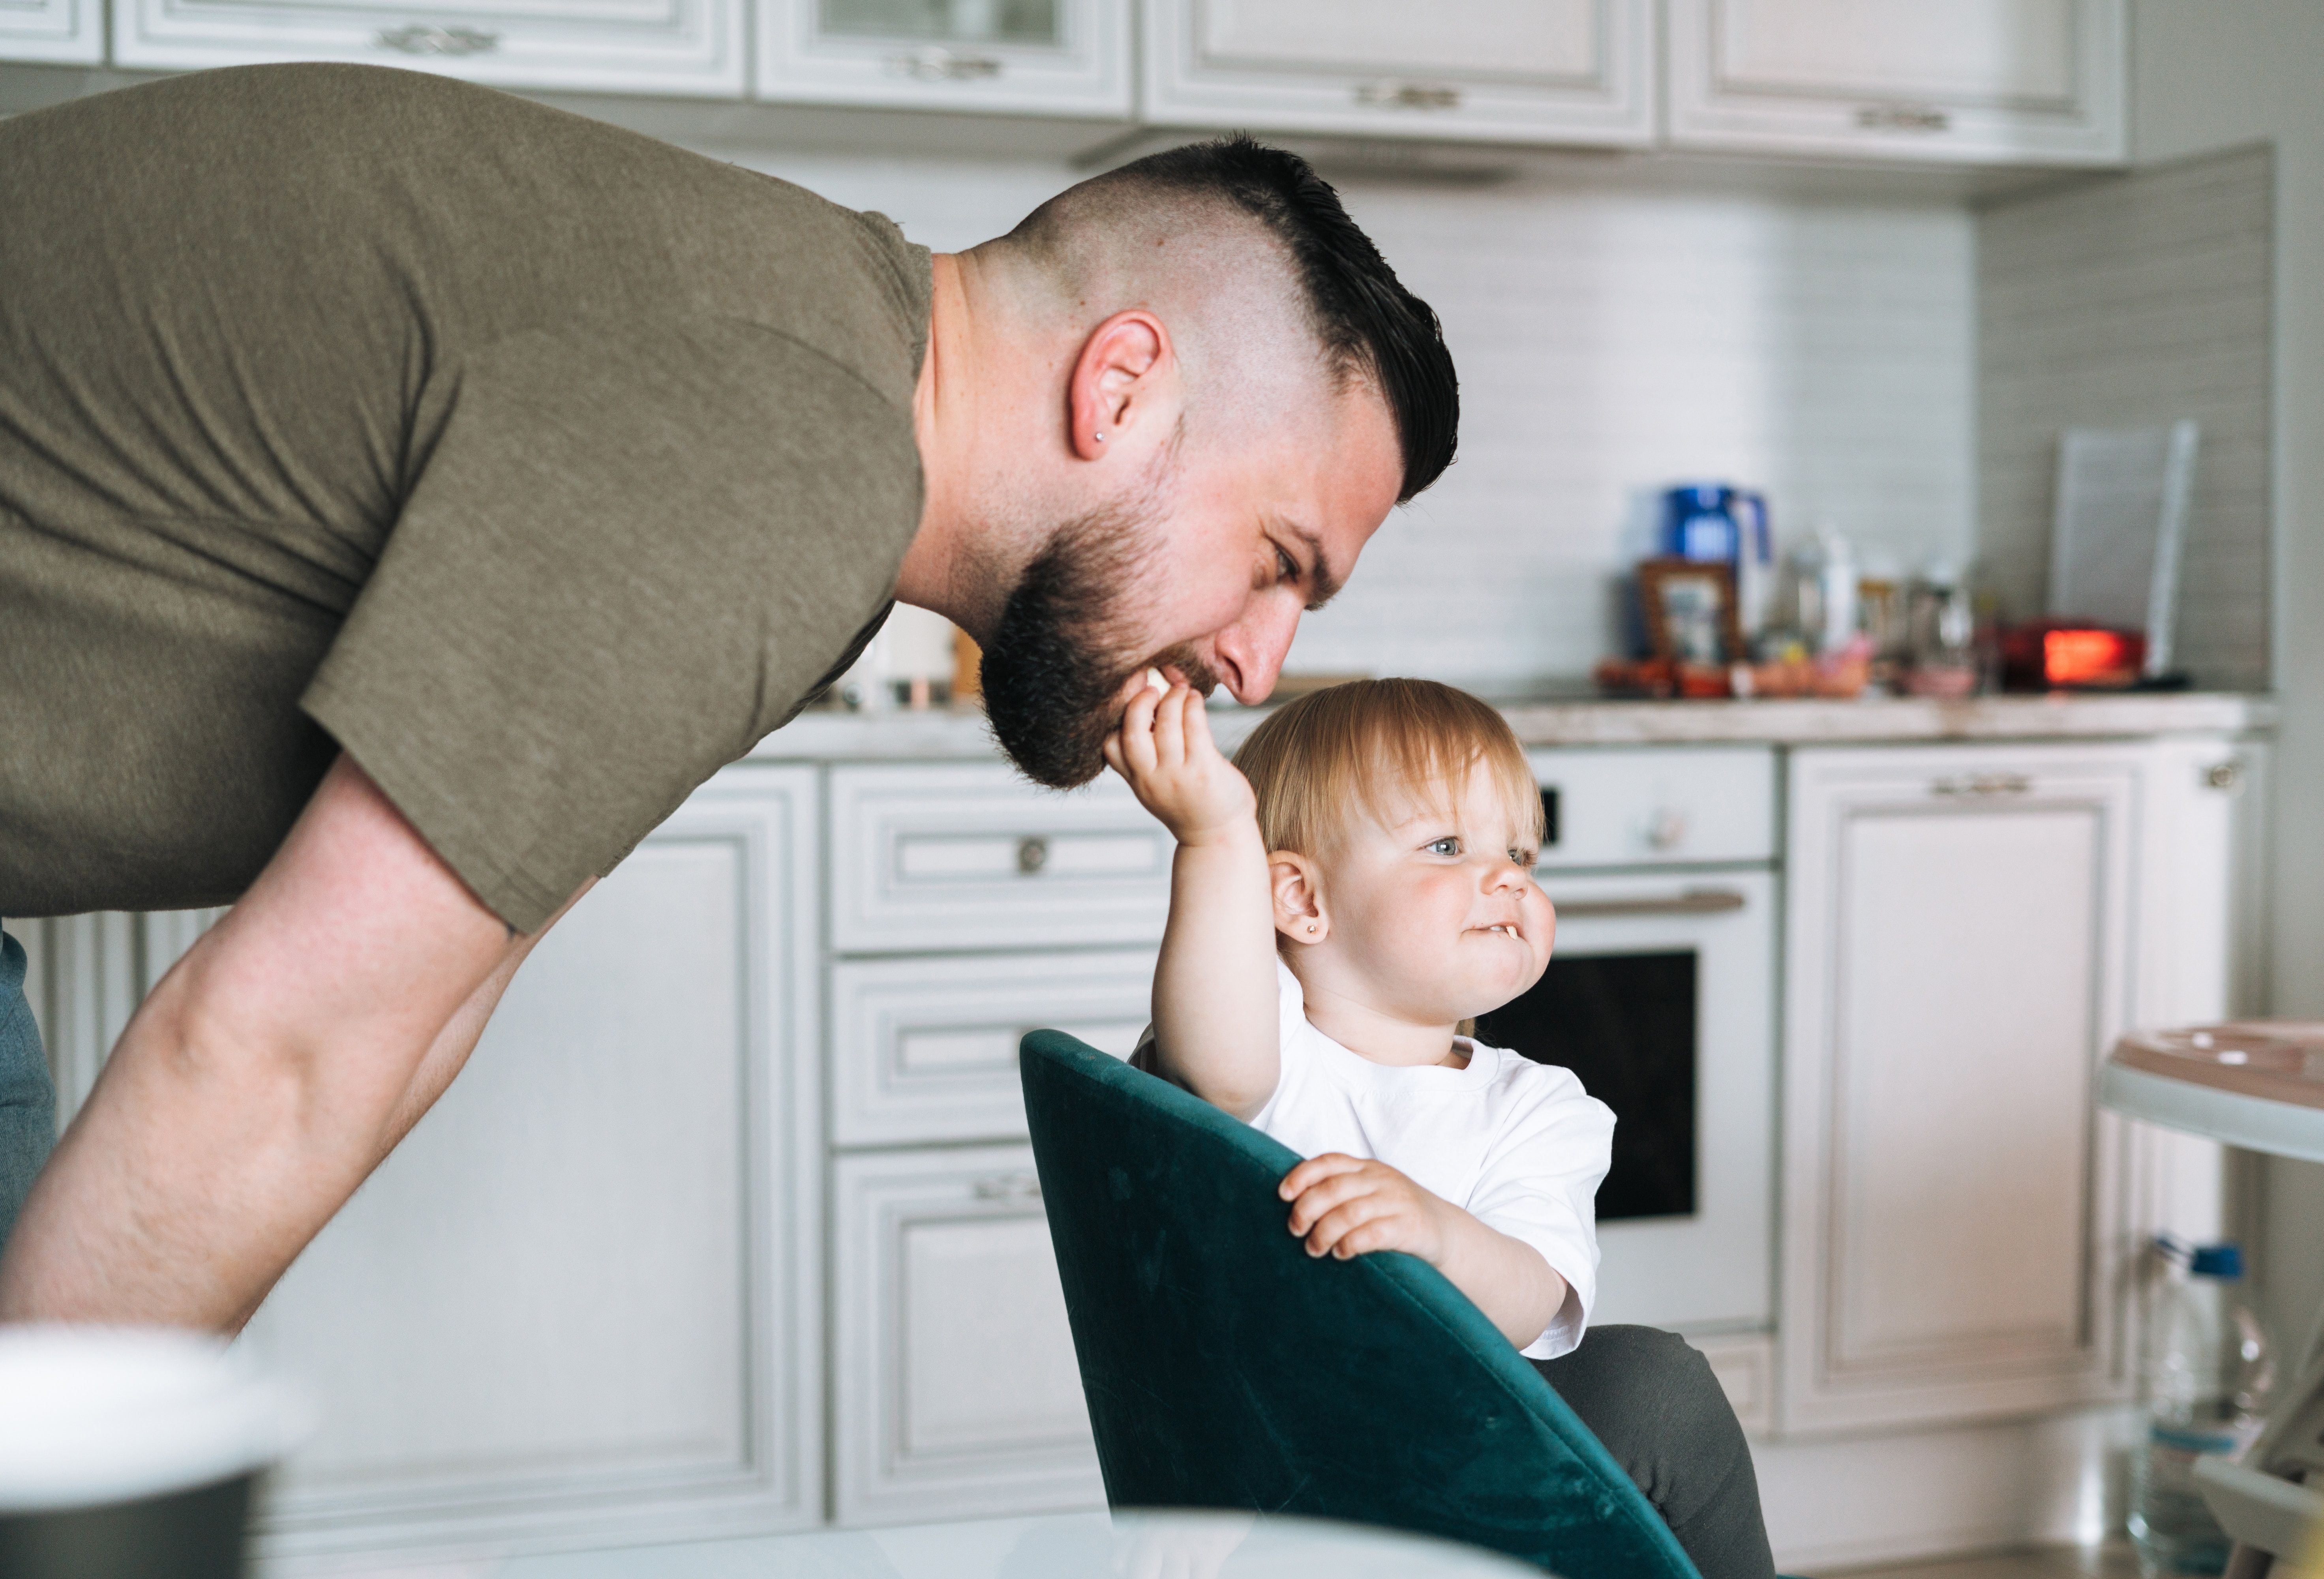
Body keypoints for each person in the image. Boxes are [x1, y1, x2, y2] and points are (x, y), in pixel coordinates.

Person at [0, 62, 1457, 1329]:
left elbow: (413, 1016)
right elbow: (272, 1057)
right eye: (1275, 562)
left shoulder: (817, 413)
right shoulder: (786, 453)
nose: (1256, 668)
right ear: (1120, 386)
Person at [1107, 675, 1774, 1579]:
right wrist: (1214, 835)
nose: (1506, 875)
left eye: (1523, 854)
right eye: (1448, 845)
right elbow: (1219, 1071)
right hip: (1272, 1475)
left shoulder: (1542, 1108)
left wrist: (1432, 1231)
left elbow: (1535, 1303)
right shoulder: (1262, 1053)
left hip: (1456, 1463)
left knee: (1659, 1385)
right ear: (1302, 902)